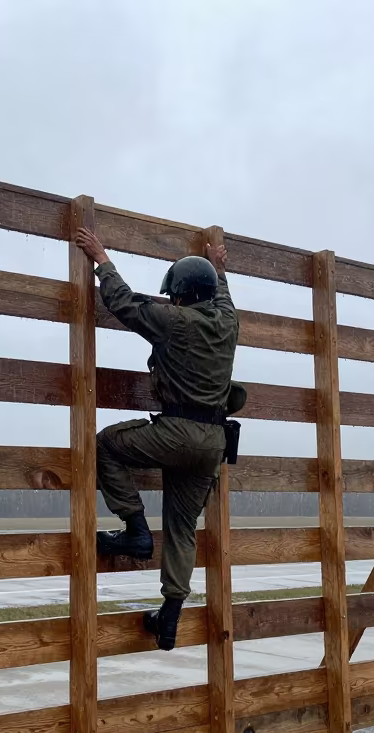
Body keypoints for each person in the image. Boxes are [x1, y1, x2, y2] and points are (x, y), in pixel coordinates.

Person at [74, 226, 240, 651]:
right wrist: (220, 270)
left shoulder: (175, 321)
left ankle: (134, 528)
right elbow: (222, 296)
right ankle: (168, 619)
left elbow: (124, 304)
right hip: (213, 444)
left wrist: (102, 259)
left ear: (181, 295)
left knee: (106, 444)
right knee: (183, 528)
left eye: (174, 294)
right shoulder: (226, 322)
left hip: (178, 431)